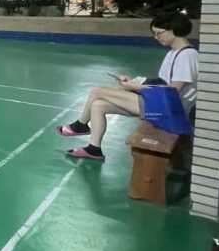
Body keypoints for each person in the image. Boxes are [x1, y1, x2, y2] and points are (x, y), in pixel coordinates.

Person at [57, 12, 199, 161]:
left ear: (173, 30)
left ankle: (80, 125)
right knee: (98, 105)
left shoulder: (187, 55)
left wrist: (135, 87)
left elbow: (171, 91)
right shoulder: (173, 53)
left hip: (170, 111)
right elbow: (161, 82)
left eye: (159, 33)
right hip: (161, 105)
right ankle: (94, 149)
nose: (156, 37)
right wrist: (135, 82)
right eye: (154, 34)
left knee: (97, 91)